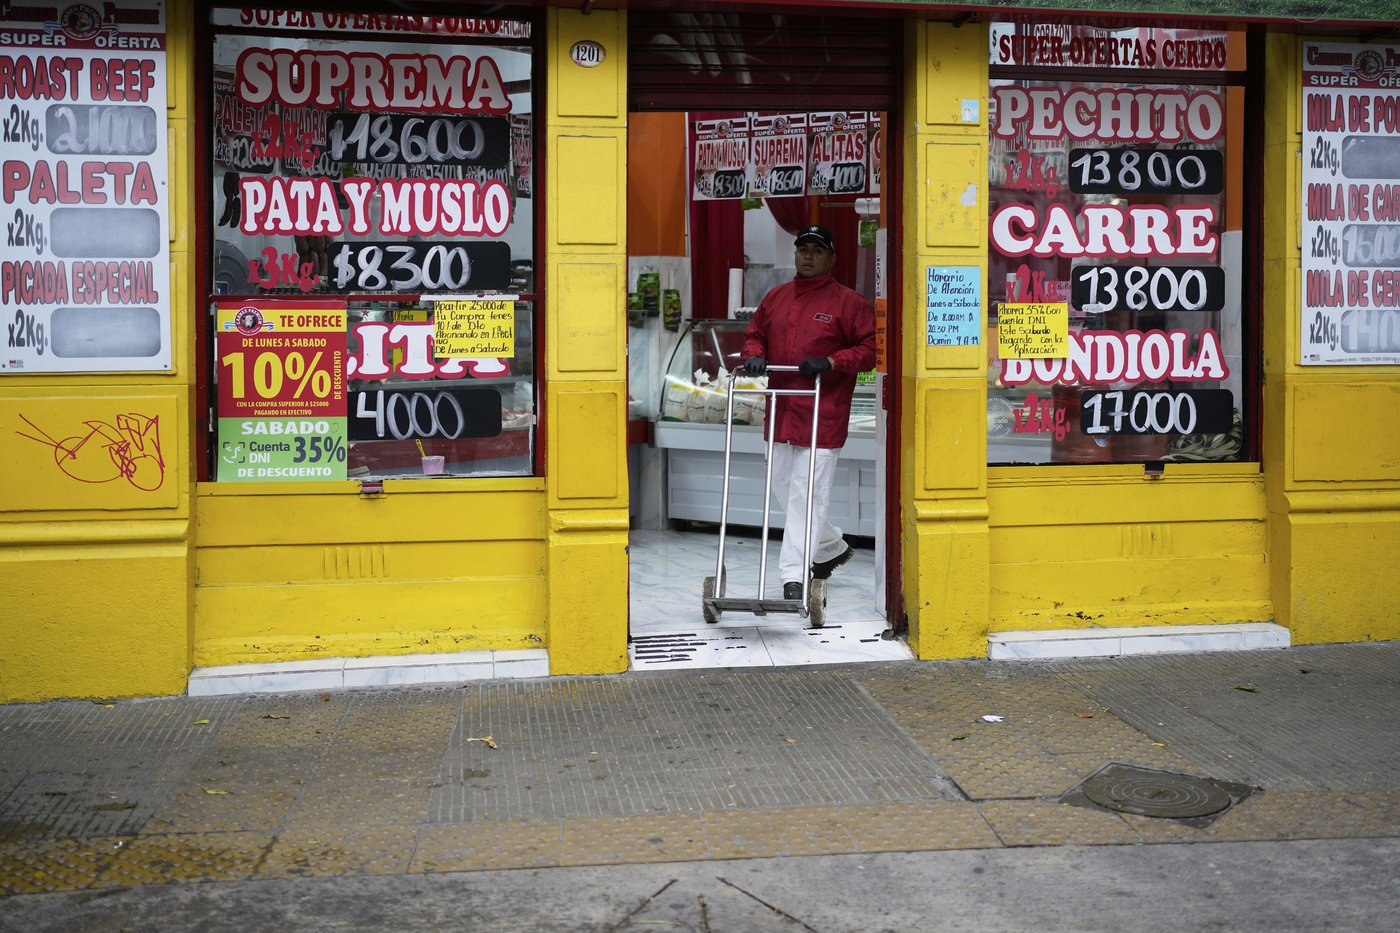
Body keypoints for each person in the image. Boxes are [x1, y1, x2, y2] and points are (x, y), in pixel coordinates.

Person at [739, 224, 876, 603]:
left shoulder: (849, 303)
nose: (809, 256)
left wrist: (832, 361)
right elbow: (755, 334)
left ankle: (793, 577)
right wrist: (754, 356)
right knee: (784, 486)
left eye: (817, 250)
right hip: (781, 412)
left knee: (806, 496)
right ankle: (830, 546)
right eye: (803, 250)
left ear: (832, 258)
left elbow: (870, 349)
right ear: (796, 254)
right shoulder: (776, 297)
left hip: (822, 416)